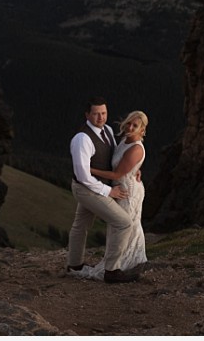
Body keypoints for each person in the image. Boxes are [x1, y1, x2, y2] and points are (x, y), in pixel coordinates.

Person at [66, 97, 139, 284]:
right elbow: (82, 175)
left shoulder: (106, 131)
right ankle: (112, 271)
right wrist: (108, 191)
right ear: (87, 115)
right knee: (123, 223)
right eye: (96, 113)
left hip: (96, 186)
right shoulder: (82, 139)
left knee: (80, 225)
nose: (101, 117)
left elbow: (115, 157)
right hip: (86, 188)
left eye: (104, 113)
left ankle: (74, 265)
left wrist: (133, 168)